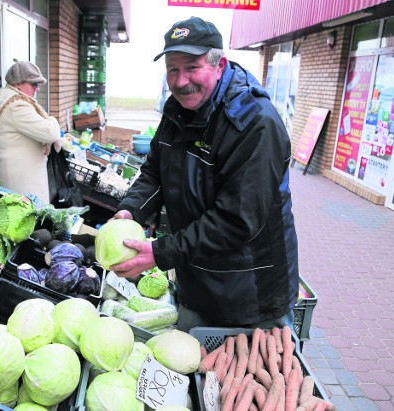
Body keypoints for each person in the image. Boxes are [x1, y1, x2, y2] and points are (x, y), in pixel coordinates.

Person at [110, 17, 300, 333]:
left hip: (249, 295)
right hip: (196, 279)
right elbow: (155, 171)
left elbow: (236, 221)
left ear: (219, 65)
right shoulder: (178, 111)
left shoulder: (254, 122)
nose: (181, 80)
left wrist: (161, 253)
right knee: (193, 371)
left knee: (248, 376)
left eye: (192, 67)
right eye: (173, 69)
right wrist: (131, 210)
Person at [0, 60, 61, 204]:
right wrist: (52, 119)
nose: (37, 88)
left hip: (18, 176)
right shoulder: (17, 106)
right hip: (25, 180)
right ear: (18, 83)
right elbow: (51, 133)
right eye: (34, 84)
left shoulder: (7, 98)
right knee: (29, 219)